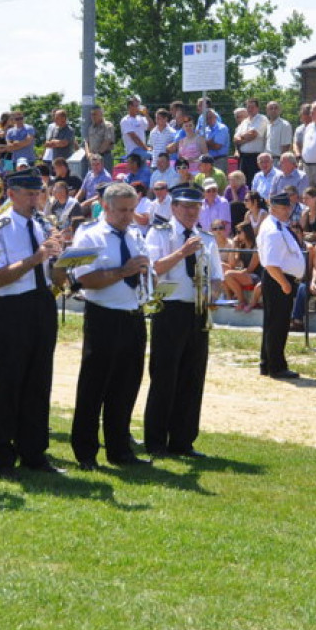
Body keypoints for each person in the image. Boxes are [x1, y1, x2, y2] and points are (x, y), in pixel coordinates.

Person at [0, 168, 66, 476]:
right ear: (11, 194)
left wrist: (62, 261)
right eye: (29, 194)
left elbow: (51, 273)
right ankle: (1, 455)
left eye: (38, 194)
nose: (35, 200)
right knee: (10, 382)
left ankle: (34, 453)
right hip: (11, 307)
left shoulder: (42, 226)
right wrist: (36, 257)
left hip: (41, 303)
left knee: (39, 381)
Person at [67, 182, 151, 469]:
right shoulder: (87, 235)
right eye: (122, 210)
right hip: (103, 316)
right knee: (93, 387)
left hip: (132, 314)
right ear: (105, 206)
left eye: (132, 210)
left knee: (126, 386)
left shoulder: (136, 235)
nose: (128, 216)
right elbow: (82, 279)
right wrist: (123, 272)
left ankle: (120, 450)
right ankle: (86, 452)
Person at [143, 184, 224, 457]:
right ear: (174, 207)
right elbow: (153, 268)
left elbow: (217, 277)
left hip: (198, 310)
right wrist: (182, 252)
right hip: (169, 309)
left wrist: (213, 293)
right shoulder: (160, 233)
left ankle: (183, 440)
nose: (192, 212)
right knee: (164, 376)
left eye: (196, 206)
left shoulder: (207, 238)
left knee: (192, 376)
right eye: (186, 206)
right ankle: (155, 441)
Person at [257, 192, 307, 379]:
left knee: (273, 323)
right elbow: (271, 263)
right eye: (285, 207)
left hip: (278, 279)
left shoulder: (278, 226)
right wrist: (284, 283)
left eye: (289, 207)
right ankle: (276, 366)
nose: (288, 211)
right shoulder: (272, 229)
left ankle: (267, 363)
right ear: (274, 208)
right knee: (278, 324)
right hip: (278, 279)